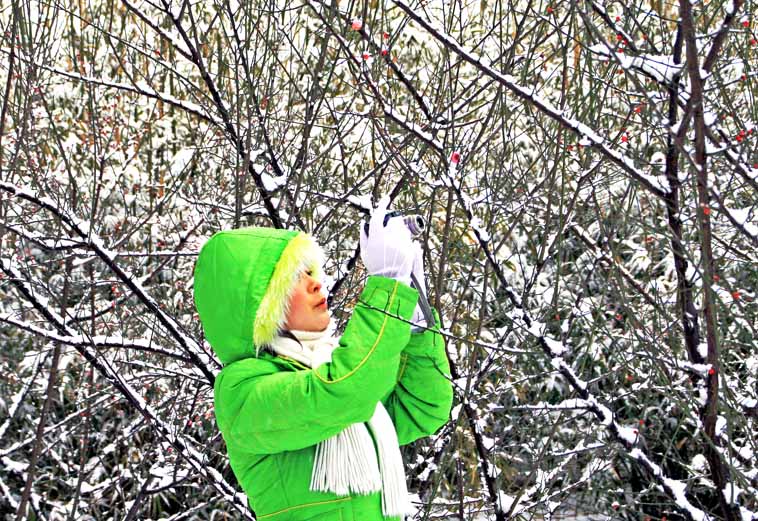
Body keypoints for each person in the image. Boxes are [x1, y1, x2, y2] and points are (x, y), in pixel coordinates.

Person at [192, 196, 454, 521]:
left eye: (313, 272)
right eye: (295, 279)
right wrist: (386, 288)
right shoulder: (241, 392)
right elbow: (341, 394)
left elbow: (423, 408)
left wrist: (415, 324)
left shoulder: (332, 366)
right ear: (260, 309)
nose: (316, 284)